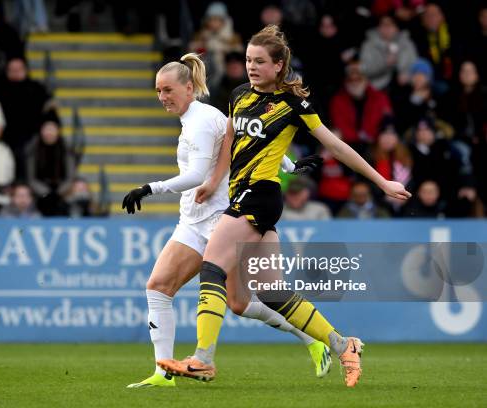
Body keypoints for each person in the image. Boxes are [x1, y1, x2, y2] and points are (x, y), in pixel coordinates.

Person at [157, 25, 411, 388]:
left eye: (259, 61)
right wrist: (213, 181)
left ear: (278, 66)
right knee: (271, 292)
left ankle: (203, 359)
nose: (251, 66)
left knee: (211, 267)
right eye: (247, 59)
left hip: (260, 195)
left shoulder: (293, 104)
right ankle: (344, 345)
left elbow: (335, 146)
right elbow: (230, 139)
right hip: (241, 194)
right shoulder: (240, 95)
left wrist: (381, 181)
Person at [123, 53, 330, 388]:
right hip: (193, 218)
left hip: (222, 219)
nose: (162, 97)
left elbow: (196, 175)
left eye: (167, 90)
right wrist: (290, 165)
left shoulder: (202, 120)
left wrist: (149, 188)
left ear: (189, 88)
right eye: (158, 91)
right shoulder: (200, 117)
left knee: (228, 300)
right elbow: (248, 141)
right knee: (195, 295)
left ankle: (313, 340)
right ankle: (164, 373)